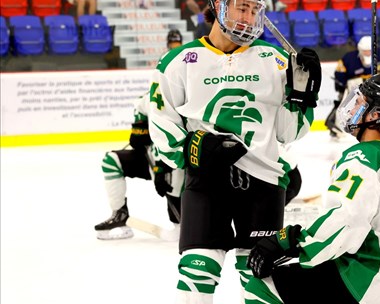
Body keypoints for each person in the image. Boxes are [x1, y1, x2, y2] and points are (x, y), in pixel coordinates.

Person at [147, 0, 322, 301]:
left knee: (260, 273)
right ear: (218, 6)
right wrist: (189, 149)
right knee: (196, 272)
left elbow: (287, 133)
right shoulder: (178, 62)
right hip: (205, 182)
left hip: (264, 182)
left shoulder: (277, 60)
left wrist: (301, 99)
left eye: (255, 10)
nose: (248, 18)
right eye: (242, 8)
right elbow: (161, 120)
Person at [245, 73, 380, 304]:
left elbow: (346, 220)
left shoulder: (364, 157)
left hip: (369, 284)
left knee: (261, 286)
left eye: (359, 103)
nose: (352, 107)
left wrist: (291, 241)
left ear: (376, 115)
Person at [94, 35, 185, 241]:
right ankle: (119, 213)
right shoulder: (147, 99)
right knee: (112, 160)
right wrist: (139, 130)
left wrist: (161, 167)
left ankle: (181, 224)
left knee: (174, 178)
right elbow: (138, 140)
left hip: (176, 160)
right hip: (154, 159)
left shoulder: (187, 99)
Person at [325, 35, 380, 139]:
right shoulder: (349, 58)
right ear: (359, 49)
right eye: (364, 50)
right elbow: (339, 74)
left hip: (372, 86)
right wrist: (343, 84)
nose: (367, 53)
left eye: (369, 50)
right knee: (344, 103)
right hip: (353, 86)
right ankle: (333, 124)